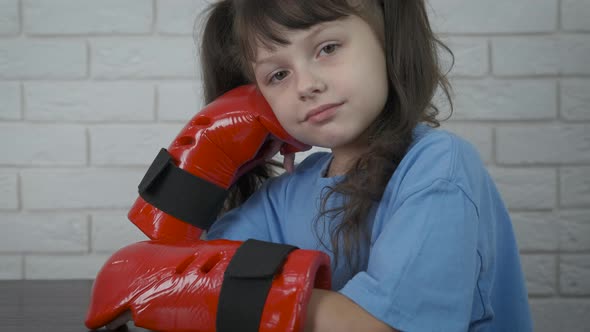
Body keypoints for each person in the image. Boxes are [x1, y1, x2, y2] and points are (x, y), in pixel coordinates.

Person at [87, 0, 533, 331]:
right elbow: (168, 266)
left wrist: (243, 297)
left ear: (386, 39)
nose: (306, 85)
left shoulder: (437, 169)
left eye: (328, 47)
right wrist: (206, 154)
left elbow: (385, 328)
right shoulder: (287, 196)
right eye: (277, 75)